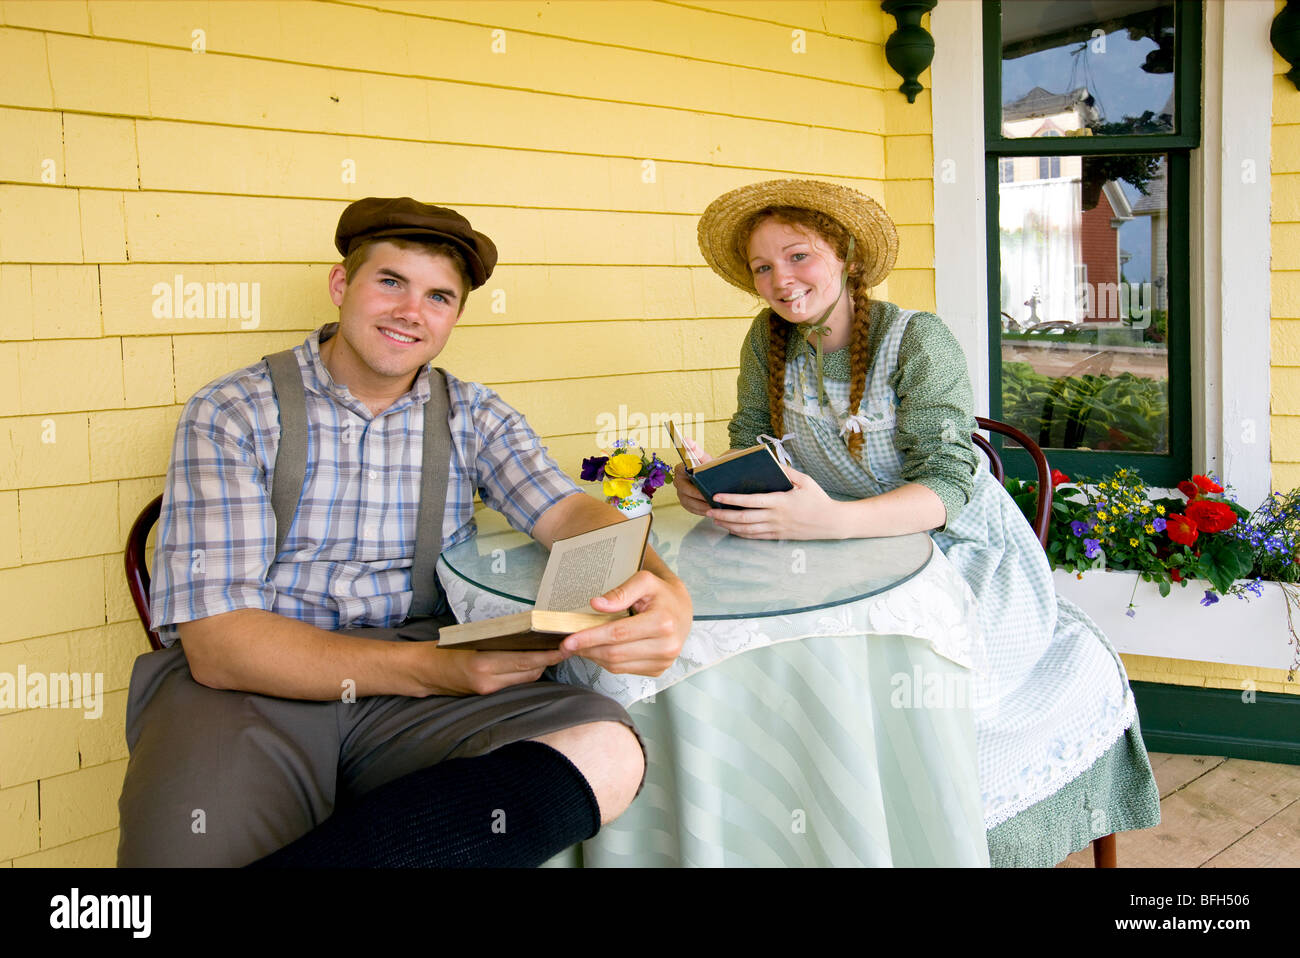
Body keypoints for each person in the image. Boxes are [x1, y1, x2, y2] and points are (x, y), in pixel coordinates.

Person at [117, 196, 693, 868]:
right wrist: (437, 670)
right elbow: (219, 646)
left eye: (439, 297)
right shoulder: (236, 410)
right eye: (390, 282)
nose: (410, 312)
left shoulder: (473, 414)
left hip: (411, 683)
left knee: (605, 750)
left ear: (453, 318)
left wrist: (664, 585)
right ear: (342, 285)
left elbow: (567, 512)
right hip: (250, 683)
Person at [677, 178, 1160, 865]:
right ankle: (811, 823)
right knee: (776, 653)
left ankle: (915, 832)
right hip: (834, 544)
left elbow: (947, 484)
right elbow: (753, 437)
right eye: (762, 267)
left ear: (844, 255)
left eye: (797, 256)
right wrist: (710, 482)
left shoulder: (915, 341)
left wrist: (831, 523)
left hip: (955, 546)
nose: (780, 282)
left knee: (919, 684)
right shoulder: (768, 340)